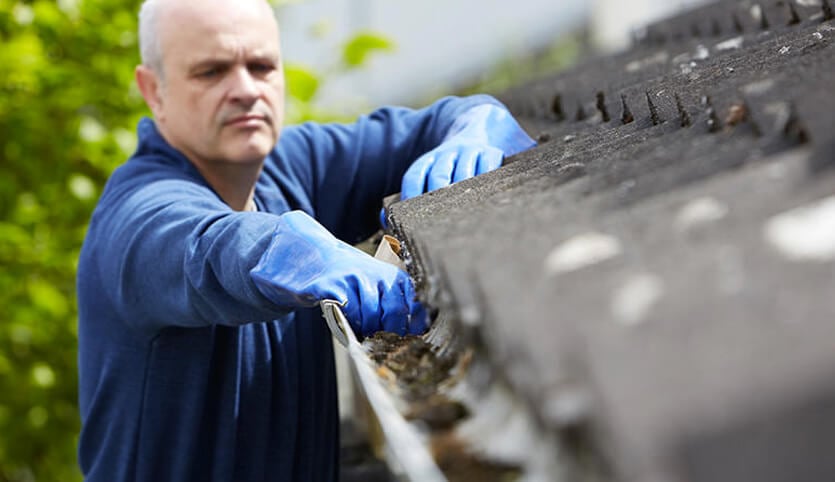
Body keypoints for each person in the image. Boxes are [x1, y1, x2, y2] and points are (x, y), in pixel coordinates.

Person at [75, 0, 535, 480]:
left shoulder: (296, 166)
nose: (245, 90)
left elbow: (450, 118)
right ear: (154, 91)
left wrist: (475, 128)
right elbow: (202, 248)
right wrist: (285, 248)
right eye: (211, 72)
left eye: (261, 66)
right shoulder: (133, 218)